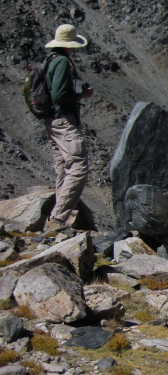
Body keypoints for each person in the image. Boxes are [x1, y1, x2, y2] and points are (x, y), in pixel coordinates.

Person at [33, 24, 93, 232]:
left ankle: (57, 219)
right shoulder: (62, 63)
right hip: (63, 121)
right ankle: (58, 219)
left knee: (62, 167)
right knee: (78, 166)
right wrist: (81, 95)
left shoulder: (50, 60)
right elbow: (59, 95)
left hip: (52, 121)